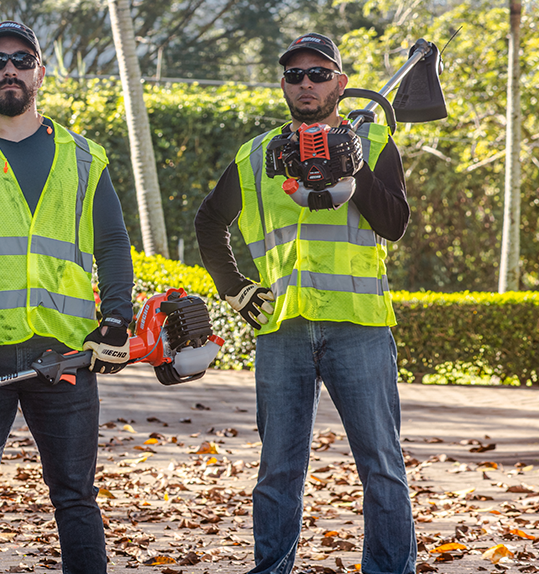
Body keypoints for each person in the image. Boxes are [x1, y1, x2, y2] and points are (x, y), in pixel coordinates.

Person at [0, 21, 137, 574]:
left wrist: (116, 319)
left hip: (64, 355)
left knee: (76, 496)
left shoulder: (85, 158)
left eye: (21, 59)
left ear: (40, 72)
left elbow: (112, 243)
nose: (8, 69)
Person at [192, 32, 414, 574]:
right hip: (283, 328)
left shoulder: (374, 141)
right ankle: (271, 568)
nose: (306, 83)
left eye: (318, 73)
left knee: (382, 465)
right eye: (295, 75)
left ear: (340, 83)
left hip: (358, 326)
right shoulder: (255, 156)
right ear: (284, 85)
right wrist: (234, 288)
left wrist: (355, 168)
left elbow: (395, 224)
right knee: (278, 470)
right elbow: (209, 222)